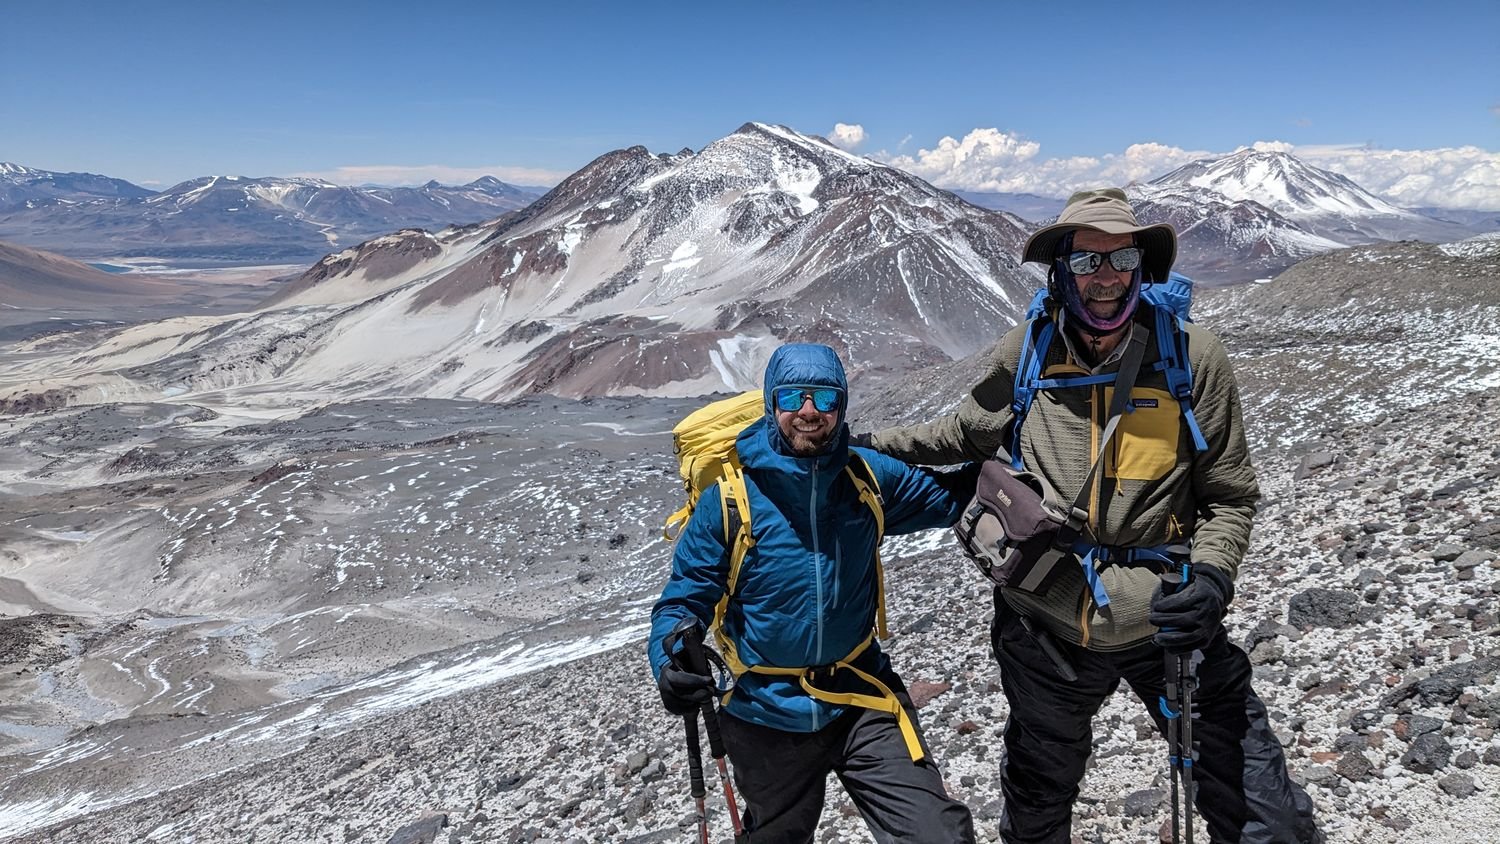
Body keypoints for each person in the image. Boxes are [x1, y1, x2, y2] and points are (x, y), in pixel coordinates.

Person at [858, 189, 1320, 843]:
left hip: (1168, 626)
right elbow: (959, 435)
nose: (1105, 277)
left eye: (1121, 258)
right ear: (1060, 272)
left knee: (1261, 813)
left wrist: (1212, 578)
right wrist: (864, 445)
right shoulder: (1027, 351)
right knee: (1039, 797)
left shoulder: (1193, 358)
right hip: (1045, 630)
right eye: (1085, 262)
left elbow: (1229, 496)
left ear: (1142, 266)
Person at [649, 342, 977, 844]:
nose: (809, 412)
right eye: (793, 398)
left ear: (841, 406)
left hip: (860, 695)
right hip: (763, 711)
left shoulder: (866, 477)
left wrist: (1027, 453)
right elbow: (682, 601)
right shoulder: (730, 502)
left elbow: (949, 497)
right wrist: (671, 659)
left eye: (824, 399)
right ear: (770, 403)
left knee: (937, 834)